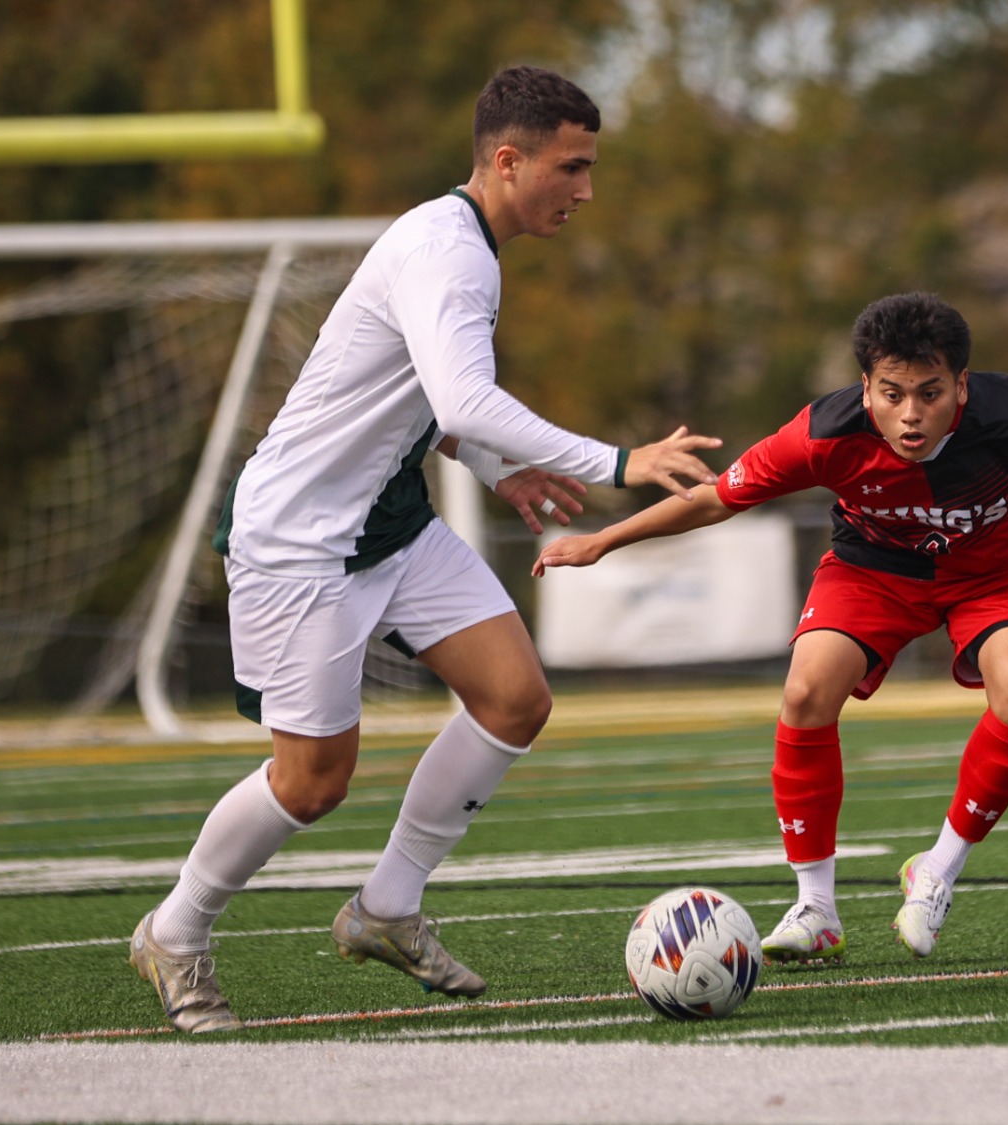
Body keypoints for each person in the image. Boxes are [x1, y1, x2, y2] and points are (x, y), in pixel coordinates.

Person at [129, 65, 721, 1034]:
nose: (584, 190)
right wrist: (619, 458)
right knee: (312, 781)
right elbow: (461, 401)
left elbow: (419, 404)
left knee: (514, 698)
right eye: (571, 168)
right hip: (302, 539)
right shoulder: (451, 254)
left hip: (387, 520)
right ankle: (176, 933)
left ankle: (386, 909)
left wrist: (496, 470)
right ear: (506, 160)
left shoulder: (455, 241)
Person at [534, 292, 1008, 963]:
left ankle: (937, 869)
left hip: (995, 569)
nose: (910, 414)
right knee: (803, 691)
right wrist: (604, 540)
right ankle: (815, 907)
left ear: (962, 384)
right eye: (891, 394)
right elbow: (714, 500)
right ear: (866, 386)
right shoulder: (823, 432)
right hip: (873, 570)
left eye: (930, 393)